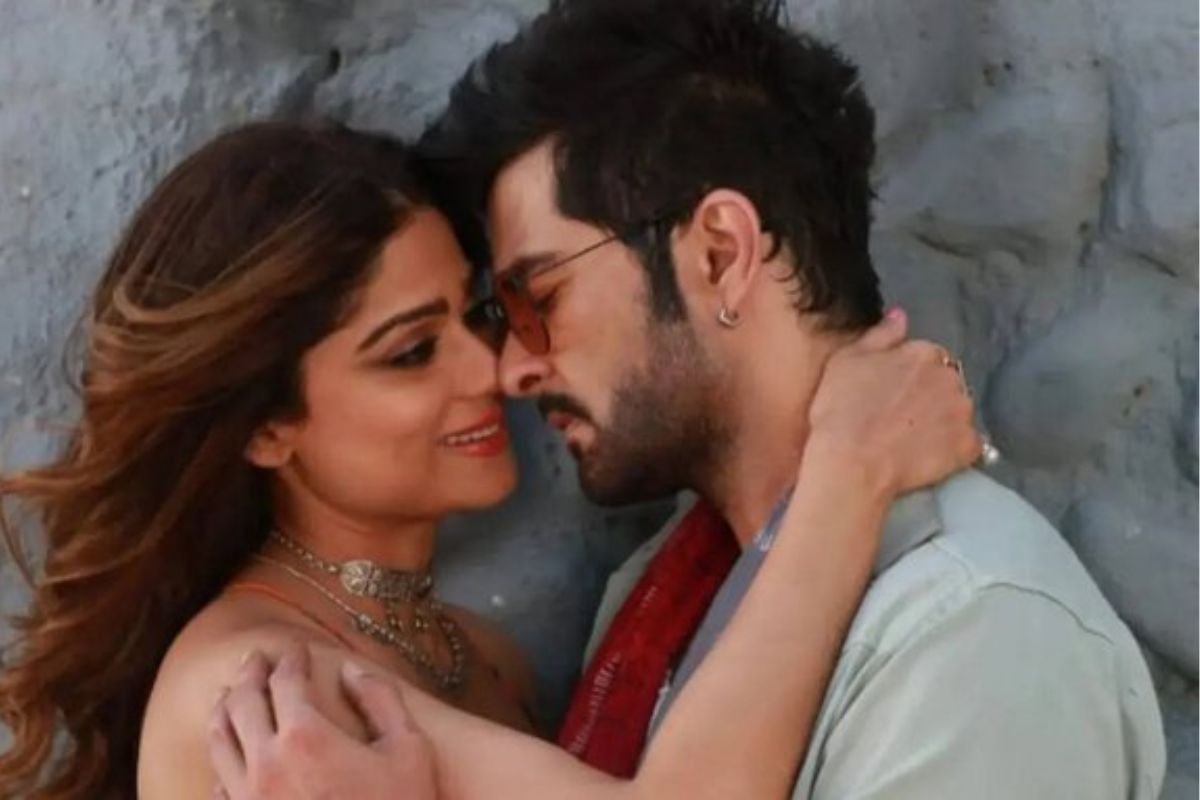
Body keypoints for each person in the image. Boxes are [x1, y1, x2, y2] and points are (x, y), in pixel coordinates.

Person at [211, 0, 1165, 797]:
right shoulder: (668, 589)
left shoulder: (974, 635)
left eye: (536, 300)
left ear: (719, 253)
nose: (512, 370)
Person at [0, 119, 977, 800]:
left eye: (476, 314)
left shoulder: (483, 658)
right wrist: (847, 471)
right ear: (266, 427)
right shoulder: (261, 688)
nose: (495, 368)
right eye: (410, 352)